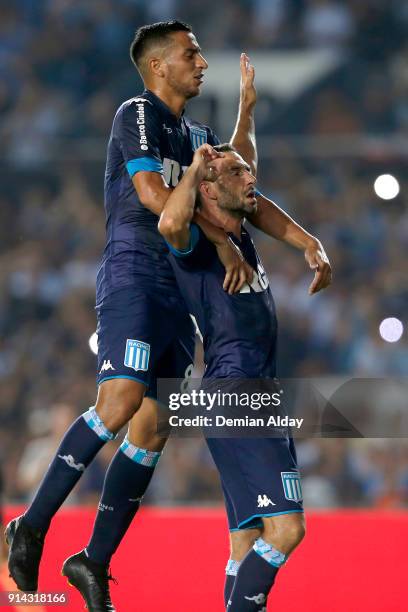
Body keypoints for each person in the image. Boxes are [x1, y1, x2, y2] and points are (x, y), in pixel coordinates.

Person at [5, 20, 257, 609]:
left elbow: (239, 175)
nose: (201, 62)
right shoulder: (136, 114)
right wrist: (220, 242)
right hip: (135, 274)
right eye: (190, 53)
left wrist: (246, 112)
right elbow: (150, 195)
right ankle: (31, 524)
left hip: (181, 290)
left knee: (153, 424)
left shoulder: (197, 132)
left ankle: (92, 559)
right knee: (119, 402)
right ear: (158, 67)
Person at [158, 143, 331, 610]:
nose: (250, 177)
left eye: (249, 171)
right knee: (288, 529)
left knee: (246, 537)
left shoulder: (240, 233)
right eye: (237, 173)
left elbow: (239, 153)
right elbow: (170, 222)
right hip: (238, 391)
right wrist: (195, 167)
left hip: (248, 393)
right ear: (208, 190)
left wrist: (247, 106)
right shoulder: (197, 243)